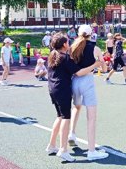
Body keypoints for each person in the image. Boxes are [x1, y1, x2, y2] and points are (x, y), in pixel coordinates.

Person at [45, 32, 101, 162]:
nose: (69, 44)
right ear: (64, 44)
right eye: (68, 42)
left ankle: (51, 145)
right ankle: (63, 149)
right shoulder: (65, 58)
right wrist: (95, 65)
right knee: (66, 118)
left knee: (59, 116)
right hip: (62, 90)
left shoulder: (53, 55)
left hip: (52, 89)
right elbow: (80, 73)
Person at [68, 24, 109, 161]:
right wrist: (103, 62)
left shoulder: (72, 47)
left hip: (74, 80)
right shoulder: (95, 48)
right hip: (87, 81)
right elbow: (103, 69)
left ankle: (72, 134)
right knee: (91, 118)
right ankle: (91, 151)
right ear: (91, 34)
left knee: (76, 107)